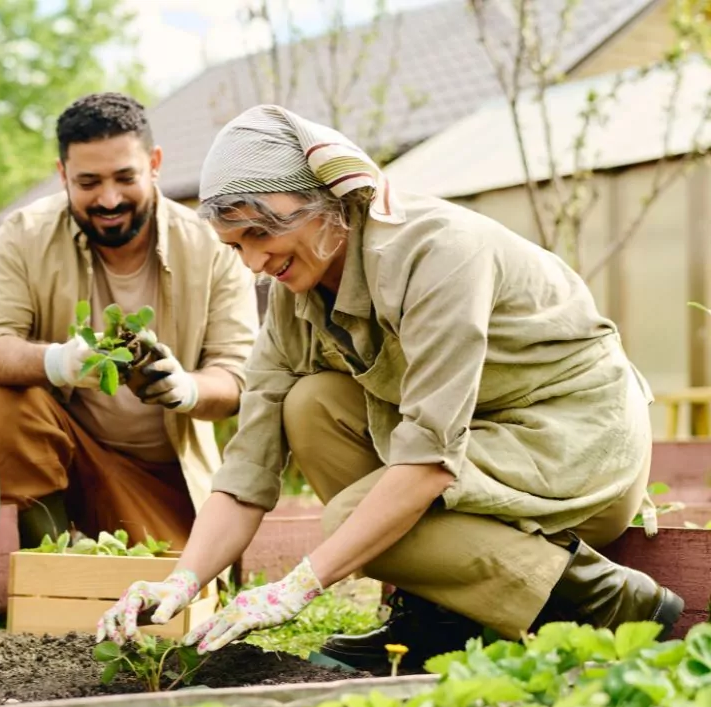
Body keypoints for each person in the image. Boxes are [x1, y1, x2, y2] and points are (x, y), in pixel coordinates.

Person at [96, 104, 684, 672]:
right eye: (235, 244)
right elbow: (250, 463)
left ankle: (602, 599)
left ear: (326, 201)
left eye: (261, 232)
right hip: (482, 448)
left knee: (350, 519)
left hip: (575, 442)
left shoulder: (438, 254)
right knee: (311, 406)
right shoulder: (294, 297)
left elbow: (428, 460)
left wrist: (298, 585)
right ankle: (438, 619)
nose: (253, 261)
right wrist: (182, 580)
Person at [0, 92, 258, 549]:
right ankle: (47, 557)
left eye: (124, 177)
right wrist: (61, 362)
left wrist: (186, 388)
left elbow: (238, 378)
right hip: (66, 459)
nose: (109, 199)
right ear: (62, 175)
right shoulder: (23, 235)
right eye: (89, 182)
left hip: (164, 477)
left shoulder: (211, 244)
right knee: (0, 406)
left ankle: (114, 555)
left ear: (154, 163)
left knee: (152, 589)